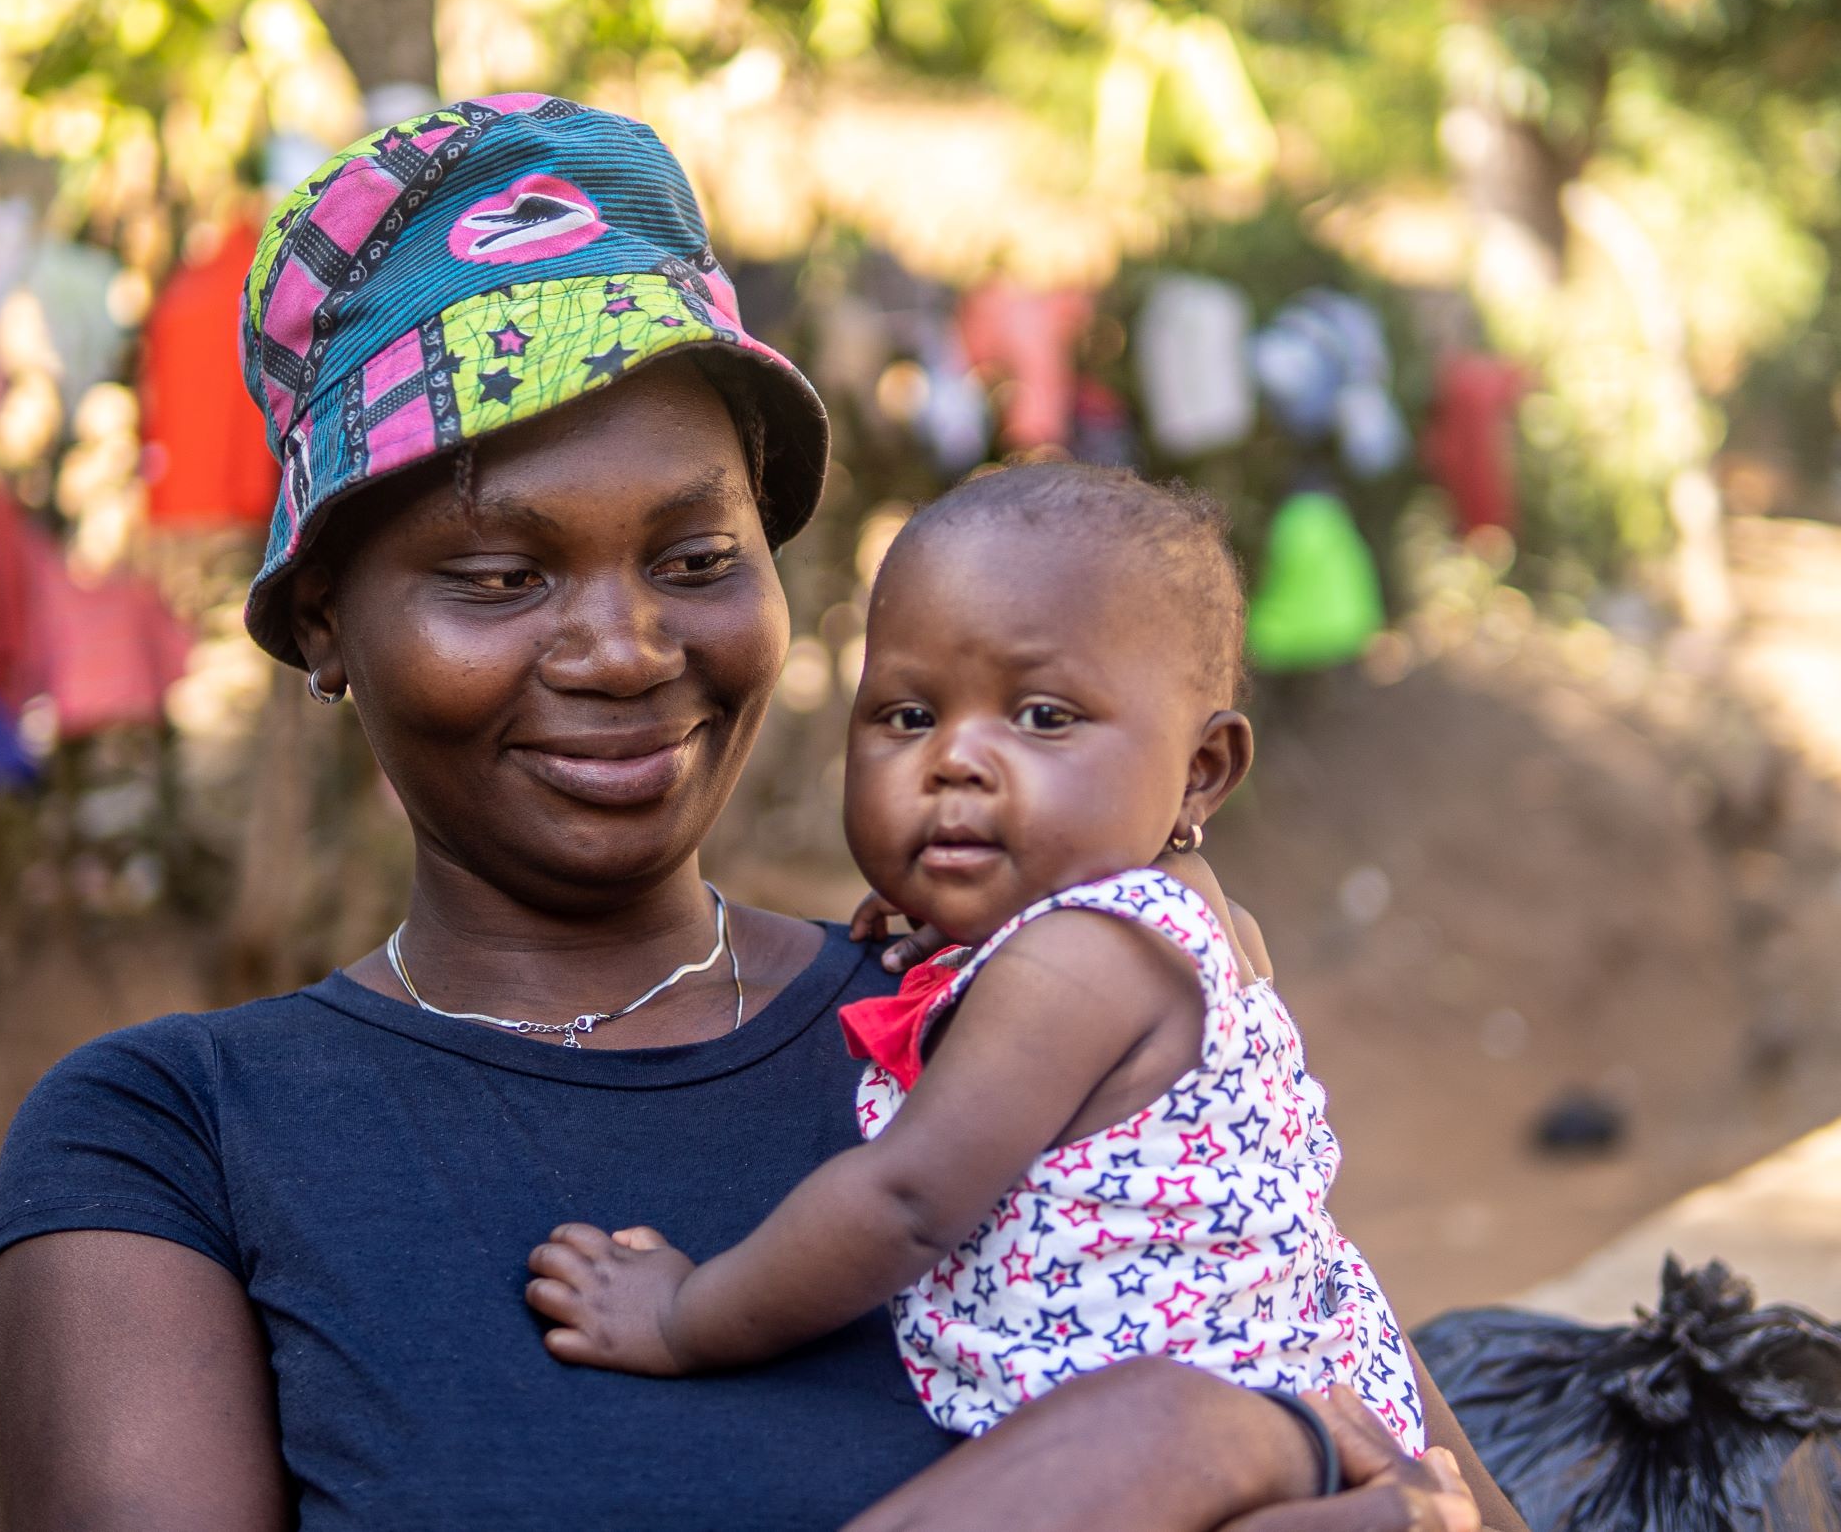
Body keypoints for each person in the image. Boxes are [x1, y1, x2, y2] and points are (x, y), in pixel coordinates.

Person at [0, 94, 1523, 1532]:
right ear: (324, 618)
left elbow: (1403, 1455)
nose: (626, 647)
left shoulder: (1015, 1032)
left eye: (696, 558)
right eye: (501, 576)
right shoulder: (181, 1136)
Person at [525, 465, 1425, 1454]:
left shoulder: (1081, 962)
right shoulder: (1191, 926)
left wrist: (683, 1315)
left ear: (1199, 771)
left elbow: (905, 1201)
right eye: (908, 716)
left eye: (1042, 716)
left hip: (1153, 1454)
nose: (953, 759)